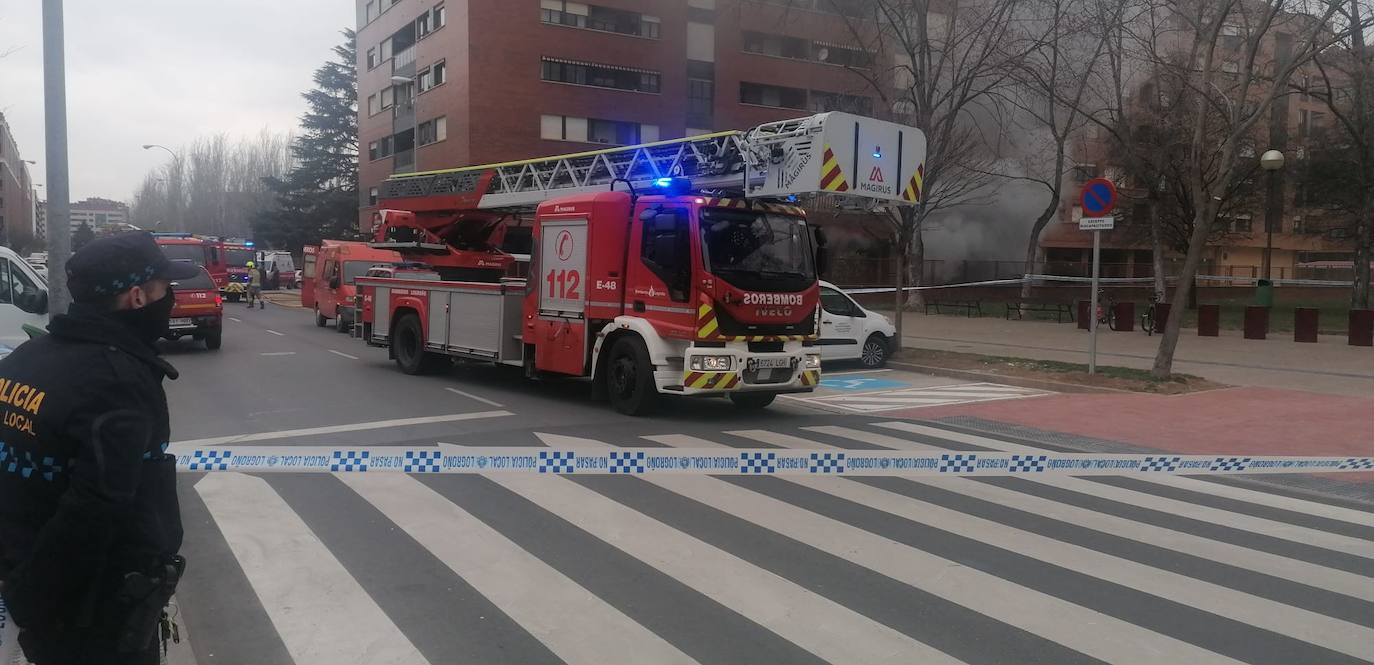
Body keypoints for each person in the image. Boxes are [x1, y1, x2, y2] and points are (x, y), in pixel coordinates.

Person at [0, 231, 193, 664]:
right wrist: (33, 603)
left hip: (32, 587)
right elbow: (94, 511)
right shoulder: (117, 382)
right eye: (166, 288)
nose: (172, 298)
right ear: (138, 297)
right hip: (92, 616)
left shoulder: (25, 359)